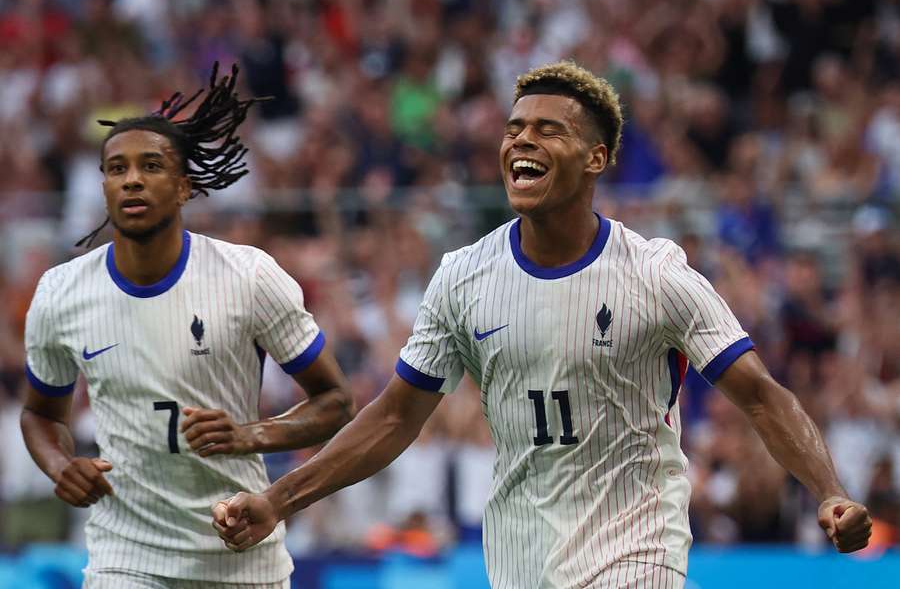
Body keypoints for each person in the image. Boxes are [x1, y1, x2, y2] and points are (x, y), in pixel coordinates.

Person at [211, 61, 872, 588]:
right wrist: (279, 500)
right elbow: (393, 418)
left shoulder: (655, 275)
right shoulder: (464, 278)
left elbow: (762, 394)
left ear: (596, 159)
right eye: (514, 127)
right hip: (520, 557)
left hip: (637, 552)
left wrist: (830, 492)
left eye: (549, 129)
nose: (521, 140)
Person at [21, 64, 355, 589]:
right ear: (104, 187)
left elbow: (335, 401)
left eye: (150, 165)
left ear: (184, 187)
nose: (131, 178)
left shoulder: (249, 276)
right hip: (124, 559)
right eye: (116, 168)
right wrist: (62, 465)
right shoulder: (60, 292)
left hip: (241, 555)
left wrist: (250, 435)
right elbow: (40, 415)